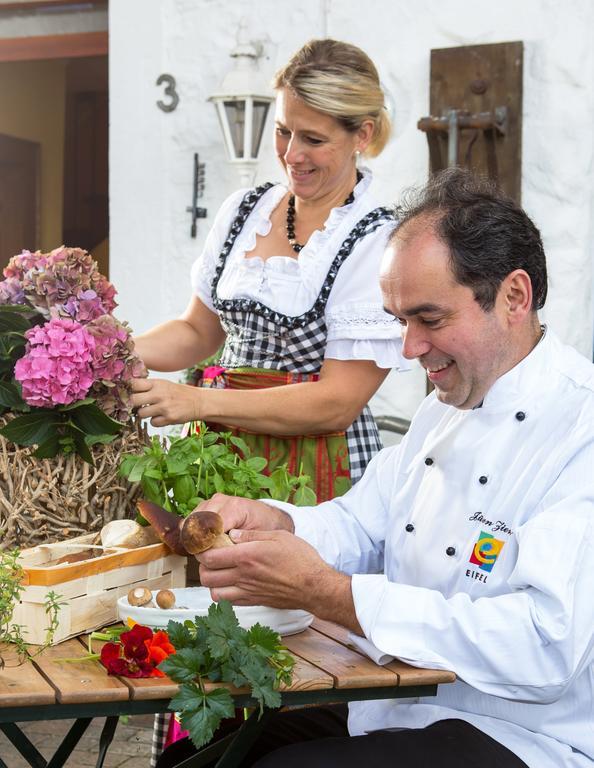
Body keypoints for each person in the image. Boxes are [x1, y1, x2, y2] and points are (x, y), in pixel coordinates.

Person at [192, 168, 594, 768]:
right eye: (398, 319)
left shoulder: (580, 428)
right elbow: (361, 525)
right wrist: (276, 522)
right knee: (207, 759)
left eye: (429, 320)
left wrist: (332, 595)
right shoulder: (443, 410)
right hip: (395, 703)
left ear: (514, 296)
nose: (408, 348)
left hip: (526, 736)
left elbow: (541, 646)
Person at [131, 38, 408, 504]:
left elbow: (336, 403)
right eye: (283, 131)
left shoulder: (378, 241)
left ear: (361, 135)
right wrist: (114, 356)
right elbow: (197, 331)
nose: (291, 154)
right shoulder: (244, 211)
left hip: (316, 473)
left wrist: (198, 401)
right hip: (225, 457)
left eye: (313, 139)